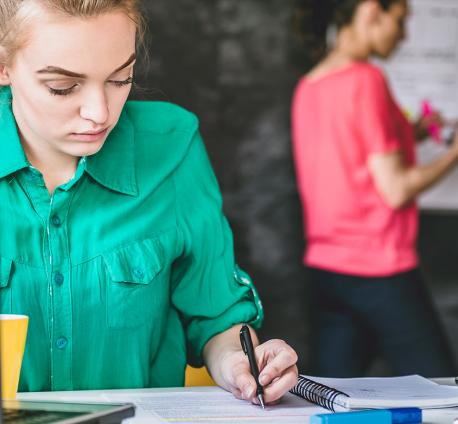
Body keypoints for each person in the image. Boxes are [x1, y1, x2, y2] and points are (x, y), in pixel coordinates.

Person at [0, 0, 297, 402]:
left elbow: (215, 315)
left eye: (120, 78)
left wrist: (239, 363)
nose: (99, 112)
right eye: (62, 87)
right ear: (4, 66)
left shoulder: (173, 146)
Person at [292, 0, 458, 377]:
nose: (404, 34)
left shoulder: (310, 85)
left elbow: (348, 153)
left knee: (330, 399)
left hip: (326, 272)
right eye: (400, 20)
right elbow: (396, 189)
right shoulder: (365, 79)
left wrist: (409, 131)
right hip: (378, 270)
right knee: (443, 394)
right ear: (370, 11)